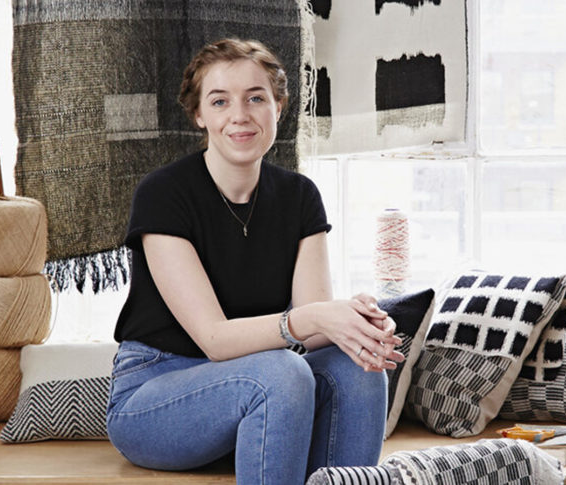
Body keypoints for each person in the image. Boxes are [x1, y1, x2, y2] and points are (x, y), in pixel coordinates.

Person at [106, 38, 404, 483]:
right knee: (281, 372)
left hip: (265, 386)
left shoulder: (300, 197)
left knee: (358, 369)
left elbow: (316, 329)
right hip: (156, 393)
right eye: (220, 100)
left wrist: (355, 323)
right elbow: (214, 339)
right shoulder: (163, 194)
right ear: (199, 115)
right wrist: (316, 317)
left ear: (278, 108)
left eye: (256, 98)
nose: (239, 115)